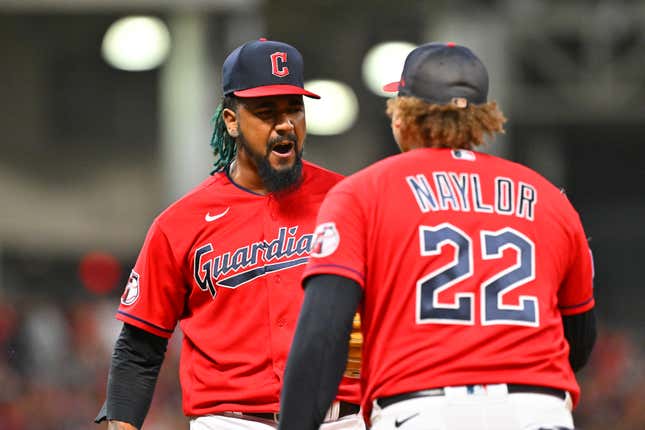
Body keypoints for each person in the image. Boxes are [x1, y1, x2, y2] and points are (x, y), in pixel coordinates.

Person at [277, 42, 597, 430]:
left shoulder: (365, 192)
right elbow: (578, 343)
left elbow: (322, 338)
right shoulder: (550, 199)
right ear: (483, 117)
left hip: (424, 409)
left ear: (401, 115)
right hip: (537, 410)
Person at [94, 38, 362, 430]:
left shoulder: (350, 200)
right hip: (233, 422)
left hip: (340, 419)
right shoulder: (181, 223)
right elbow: (140, 347)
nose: (285, 124)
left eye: (295, 110)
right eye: (267, 112)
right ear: (231, 121)